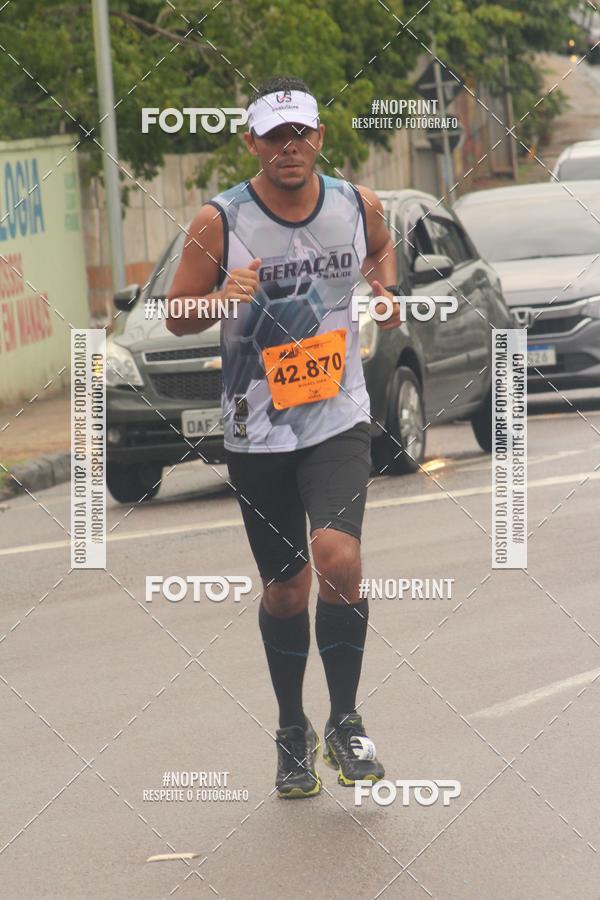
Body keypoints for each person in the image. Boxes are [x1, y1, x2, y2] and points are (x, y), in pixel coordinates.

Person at [167, 75, 401, 799]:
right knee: (285, 588)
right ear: (253, 144)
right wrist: (215, 298)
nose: (289, 148)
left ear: (319, 138)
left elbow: (381, 249)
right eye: (275, 136)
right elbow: (175, 314)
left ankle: (346, 720)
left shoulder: (358, 204)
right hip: (255, 429)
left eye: (300, 133)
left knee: (339, 558)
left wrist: (386, 289)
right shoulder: (221, 220)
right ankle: (291, 729)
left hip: (336, 415)